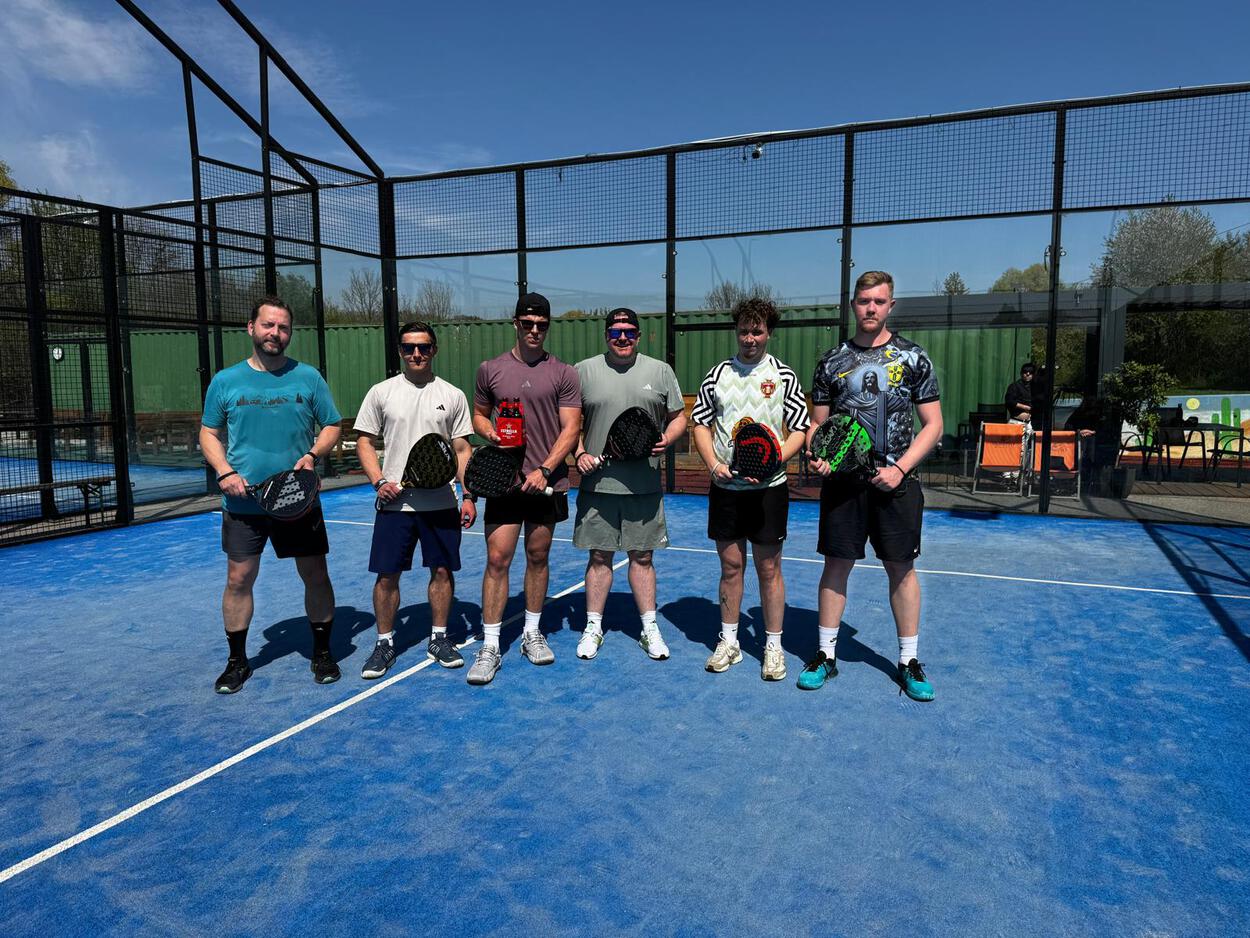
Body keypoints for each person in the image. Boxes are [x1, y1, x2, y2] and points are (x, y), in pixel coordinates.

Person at [803, 270, 943, 701]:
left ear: (890, 306)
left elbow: (933, 425)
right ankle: (825, 656)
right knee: (836, 566)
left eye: (879, 302)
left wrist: (900, 469)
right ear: (853, 305)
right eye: (864, 301)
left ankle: (908, 661)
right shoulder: (831, 362)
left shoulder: (914, 358)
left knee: (901, 569)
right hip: (844, 487)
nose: (871, 308)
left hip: (897, 485)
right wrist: (818, 454)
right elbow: (817, 426)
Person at [199, 296, 343, 694]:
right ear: (251, 328)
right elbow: (208, 433)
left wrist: (314, 454)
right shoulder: (225, 381)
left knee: (314, 574)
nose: (274, 334)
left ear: (289, 333)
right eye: (267, 325)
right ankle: (237, 661)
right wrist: (224, 471)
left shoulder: (308, 377)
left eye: (282, 328)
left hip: (298, 500)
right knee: (238, 578)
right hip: (243, 503)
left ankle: (322, 652)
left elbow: (331, 425)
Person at [690, 297, 809, 681]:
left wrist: (775, 462)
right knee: (731, 566)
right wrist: (714, 465)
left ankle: (773, 646)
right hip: (726, 488)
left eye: (757, 331)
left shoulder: (784, 376)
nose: (750, 338)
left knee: (769, 567)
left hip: (769, 490)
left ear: (769, 333)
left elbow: (801, 429)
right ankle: (729, 641)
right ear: (736, 331)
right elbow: (701, 425)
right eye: (744, 330)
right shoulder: (717, 375)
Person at [466, 293, 582, 685]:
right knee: (498, 559)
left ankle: (532, 632)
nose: (535, 330)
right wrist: (490, 432)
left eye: (542, 324)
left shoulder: (564, 373)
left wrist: (546, 470)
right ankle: (491, 645)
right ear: (515, 323)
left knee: (537, 555)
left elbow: (571, 428)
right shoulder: (490, 369)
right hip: (503, 481)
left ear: (548, 327)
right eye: (528, 323)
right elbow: (479, 415)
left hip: (546, 482)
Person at [353, 321, 476, 679]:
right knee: (387, 576)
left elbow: (462, 448)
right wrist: (378, 481)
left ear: (434, 350)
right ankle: (385, 642)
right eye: (409, 348)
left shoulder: (452, 395)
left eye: (423, 347)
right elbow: (364, 440)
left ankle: (439, 637)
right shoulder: (382, 392)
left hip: (440, 503)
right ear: (401, 351)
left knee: (441, 570)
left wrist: (467, 495)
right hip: (394, 505)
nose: (416, 354)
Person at [572, 308, 686, 661]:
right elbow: (570, 425)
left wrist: (667, 438)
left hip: (644, 485)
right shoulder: (583, 371)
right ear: (606, 335)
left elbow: (679, 417)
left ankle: (649, 627)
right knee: (599, 556)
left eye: (629, 332)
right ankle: (593, 627)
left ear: (639, 335)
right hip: (598, 485)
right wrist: (578, 454)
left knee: (642, 556)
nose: (622, 338)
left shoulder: (660, 371)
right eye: (616, 332)